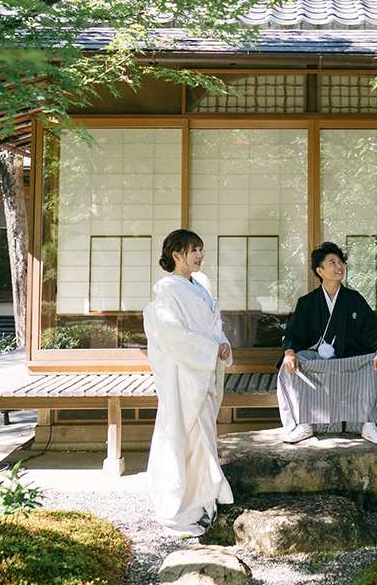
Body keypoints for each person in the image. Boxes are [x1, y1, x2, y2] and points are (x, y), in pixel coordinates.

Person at [143, 229, 233, 536]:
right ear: (176, 255)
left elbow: (212, 325)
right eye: (193, 250)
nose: (199, 256)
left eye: (201, 250)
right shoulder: (167, 294)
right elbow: (172, 336)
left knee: (203, 439)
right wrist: (209, 349)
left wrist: (220, 344)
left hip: (203, 373)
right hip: (184, 378)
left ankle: (203, 504)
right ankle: (182, 508)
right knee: (186, 440)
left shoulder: (202, 286)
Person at [277, 241, 377, 445]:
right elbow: (293, 333)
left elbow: (371, 329)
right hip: (317, 360)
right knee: (293, 366)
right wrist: (289, 352)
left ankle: (368, 424)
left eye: (340, 261)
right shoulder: (307, 303)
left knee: (374, 363)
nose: (339, 266)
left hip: (349, 357)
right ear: (320, 270)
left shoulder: (354, 299)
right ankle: (305, 423)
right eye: (332, 262)